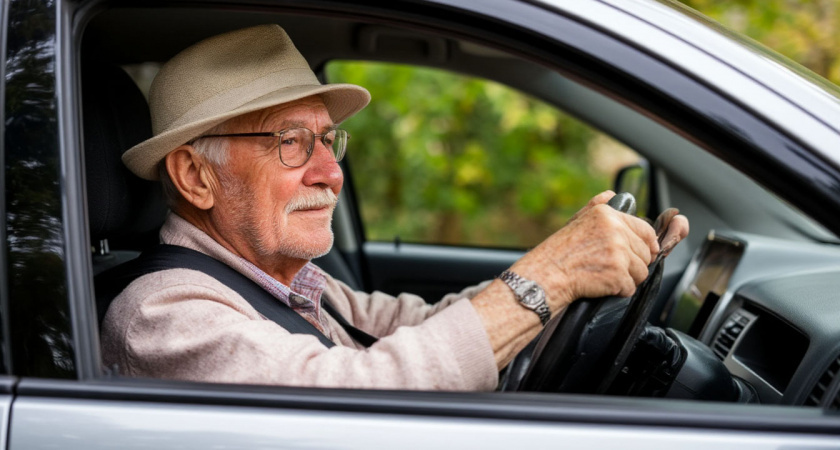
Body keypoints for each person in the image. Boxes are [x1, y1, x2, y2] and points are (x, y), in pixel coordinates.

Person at [100, 24, 689, 390]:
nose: (331, 174)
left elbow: (426, 326)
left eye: (327, 139)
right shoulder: (162, 314)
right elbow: (351, 403)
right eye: (290, 142)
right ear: (195, 176)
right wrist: (552, 274)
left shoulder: (295, 282)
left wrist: (579, 271)